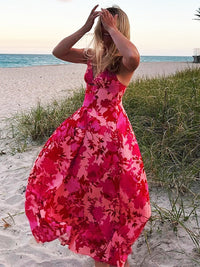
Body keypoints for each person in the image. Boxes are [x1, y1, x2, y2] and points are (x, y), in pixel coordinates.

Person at [25, 5, 151, 267]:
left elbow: (134, 56)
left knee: (110, 198)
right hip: (82, 133)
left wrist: (113, 30)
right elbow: (58, 52)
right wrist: (85, 28)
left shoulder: (124, 62)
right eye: (101, 28)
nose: (104, 34)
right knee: (84, 194)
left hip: (111, 137)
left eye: (109, 28)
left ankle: (109, 254)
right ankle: (102, 253)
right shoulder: (94, 56)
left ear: (119, 29)